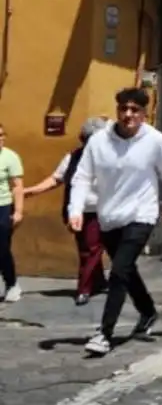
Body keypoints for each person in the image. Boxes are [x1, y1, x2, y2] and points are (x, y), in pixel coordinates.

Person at [70, 88, 162, 357]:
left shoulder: (156, 141)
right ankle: (147, 312)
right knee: (127, 269)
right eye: (123, 109)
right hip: (109, 216)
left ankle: (104, 333)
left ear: (144, 114)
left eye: (134, 110)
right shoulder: (99, 141)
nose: (128, 114)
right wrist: (76, 208)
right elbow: (82, 177)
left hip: (142, 214)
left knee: (119, 270)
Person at [24, 117, 110, 305]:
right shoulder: (73, 157)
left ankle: (84, 288)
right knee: (87, 248)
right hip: (78, 211)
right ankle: (100, 282)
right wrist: (31, 191)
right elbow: (56, 178)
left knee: (92, 249)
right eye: (88, 139)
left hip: (102, 210)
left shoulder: (111, 158)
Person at [0, 123, 24, 303]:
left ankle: (12, 283)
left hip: (3, 206)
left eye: (2, 135)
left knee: (2, 248)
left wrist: (18, 211)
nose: (1, 139)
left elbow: (17, 186)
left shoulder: (10, 157)